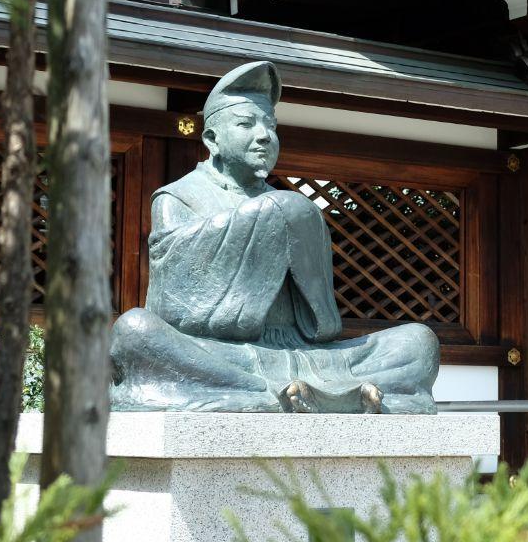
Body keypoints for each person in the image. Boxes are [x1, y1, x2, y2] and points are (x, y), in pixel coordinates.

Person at [109, 61, 440, 413]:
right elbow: (173, 309)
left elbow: (322, 325)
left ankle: (294, 393)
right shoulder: (178, 198)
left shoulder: (292, 207)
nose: (264, 134)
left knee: (418, 342)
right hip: (226, 355)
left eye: (270, 124)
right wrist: (263, 221)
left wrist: (285, 219)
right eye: (246, 123)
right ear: (212, 139)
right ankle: (295, 394)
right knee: (135, 331)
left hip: (304, 355)